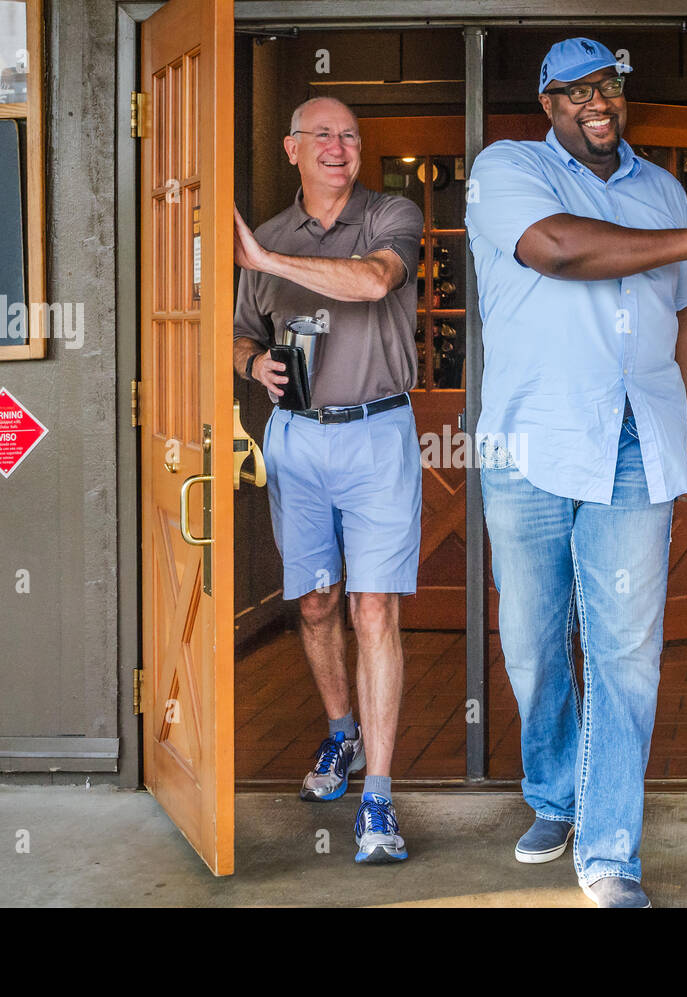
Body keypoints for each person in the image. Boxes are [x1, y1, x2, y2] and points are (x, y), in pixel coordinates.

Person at [466, 38, 687, 906]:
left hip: (635, 443)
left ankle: (608, 849)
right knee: (534, 644)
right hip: (531, 443)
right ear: (547, 101)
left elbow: (685, 317)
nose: (599, 103)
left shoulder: (661, 187)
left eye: (611, 87)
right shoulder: (507, 167)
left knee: (626, 648)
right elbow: (558, 247)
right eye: (578, 90)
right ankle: (554, 791)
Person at [232, 96, 424, 865]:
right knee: (316, 601)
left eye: (349, 133)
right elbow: (238, 332)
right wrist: (252, 362)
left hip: (378, 434)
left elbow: (377, 281)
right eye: (322, 134)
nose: (338, 146)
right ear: (291, 149)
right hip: (298, 439)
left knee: (375, 606)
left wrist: (270, 262)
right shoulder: (268, 237)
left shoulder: (390, 214)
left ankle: (377, 798)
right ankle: (341, 735)